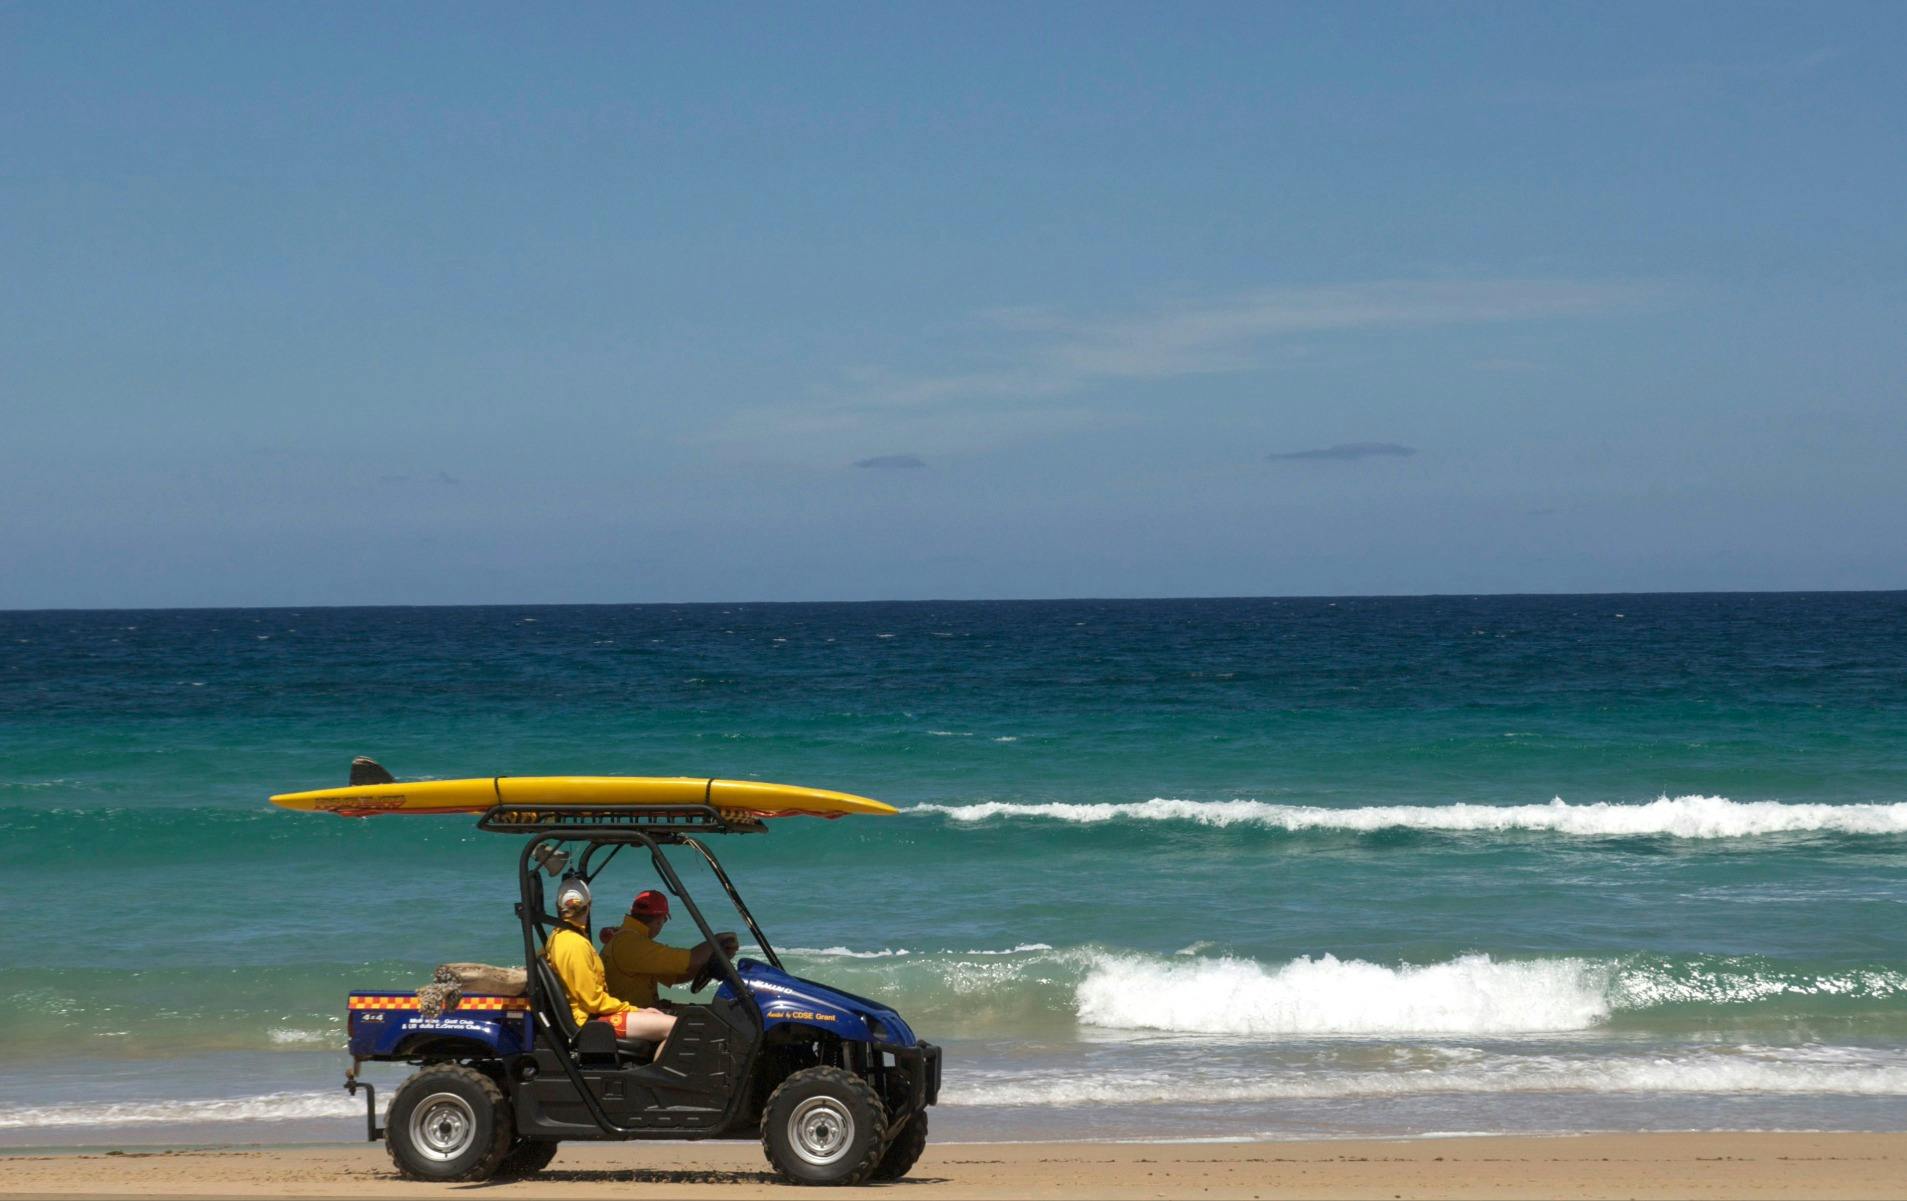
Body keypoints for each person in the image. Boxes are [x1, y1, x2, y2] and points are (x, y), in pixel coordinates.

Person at [542, 878, 676, 1052]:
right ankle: (659, 1079)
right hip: (591, 1021)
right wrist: (636, 1010)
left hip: (590, 1015)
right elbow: (593, 1002)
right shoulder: (574, 944)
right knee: (676, 1027)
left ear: (558, 907)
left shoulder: (558, 936)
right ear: (589, 905)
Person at [604, 889, 739, 1009]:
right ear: (659, 919)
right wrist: (717, 941)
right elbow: (691, 959)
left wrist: (705, 966)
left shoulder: (629, 940)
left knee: (704, 1015)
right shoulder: (631, 943)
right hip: (631, 1016)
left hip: (642, 1011)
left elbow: (677, 977)